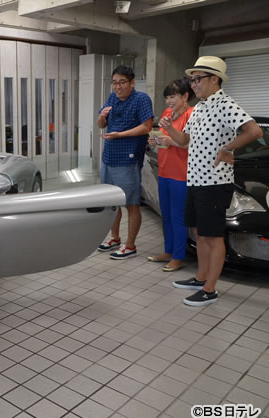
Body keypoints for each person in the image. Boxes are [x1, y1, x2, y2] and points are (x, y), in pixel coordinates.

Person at [161, 56, 262, 306]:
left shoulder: (225, 104)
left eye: (198, 79)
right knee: (199, 233)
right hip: (194, 181)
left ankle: (210, 289)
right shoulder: (199, 107)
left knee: (213, 236)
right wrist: (170, 128)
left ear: (214, 79)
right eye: (192, 80)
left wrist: (228, 148)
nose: (193, 84)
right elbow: (185, 141)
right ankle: (200, 278)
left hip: (214, 182)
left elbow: (254, 131)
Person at [97, 65, 154, 259]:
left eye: (122, 82)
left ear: (132, 83)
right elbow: (101, 124)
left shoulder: (141, 99)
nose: (117, 86)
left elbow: (146, 127)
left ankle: (130, 245)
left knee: (131, 203)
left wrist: (120, 134)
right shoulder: (112, 98)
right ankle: (115, 237)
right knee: (111, 202)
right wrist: (102, 117)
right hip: (108, 157)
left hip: (128, 158)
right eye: (114, 82)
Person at [146, 78, 195, 272]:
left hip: (181, 174)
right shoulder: (168, 113)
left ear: (185, 96)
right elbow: (163, 138)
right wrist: (155, 140)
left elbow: (192, 144)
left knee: (177, 217)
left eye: (172, 97)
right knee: (165, 214)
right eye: (167, 97)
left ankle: (178, 256)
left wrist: (171, 141)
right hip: (164, 170)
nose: (169, 101)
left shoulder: (192, 114)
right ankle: (168, 251)